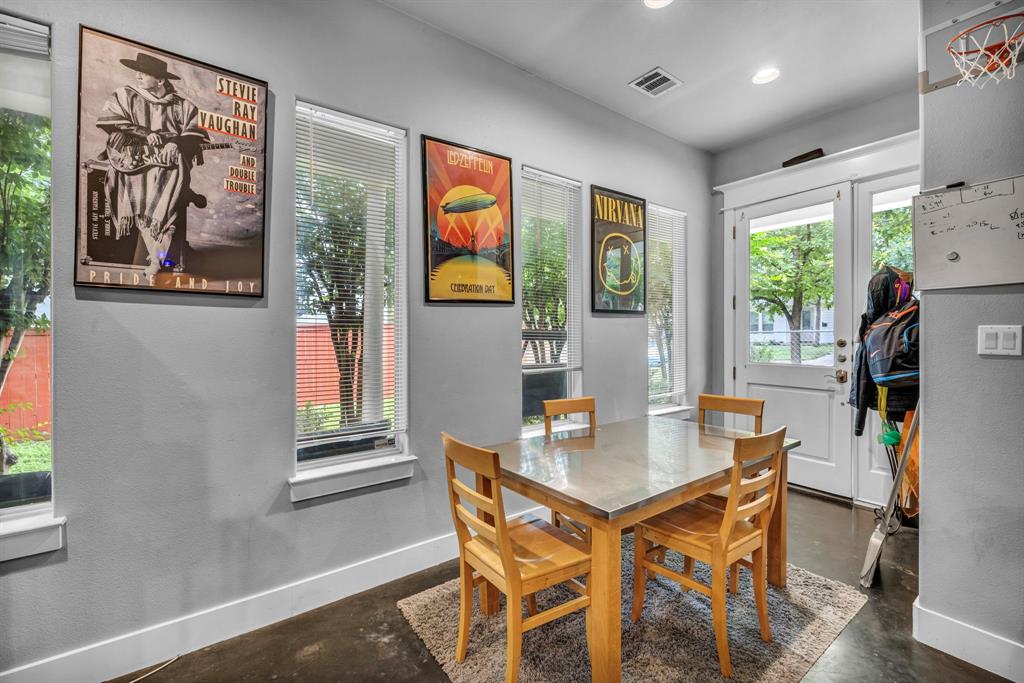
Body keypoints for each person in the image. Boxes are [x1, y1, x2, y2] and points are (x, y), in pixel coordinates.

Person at [96, 52, 208, 280]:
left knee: (168, 180)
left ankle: (158, 256)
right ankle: (157, 257)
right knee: (140, 192)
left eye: (144, 73)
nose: (138, 76)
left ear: (160, 80)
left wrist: (176, 143)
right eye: (137, 72)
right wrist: (145, 133)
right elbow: (111, 121)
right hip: (132, 163)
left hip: (166, 166)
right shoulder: (125, 95)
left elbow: (196, 130)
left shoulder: (182, 106)